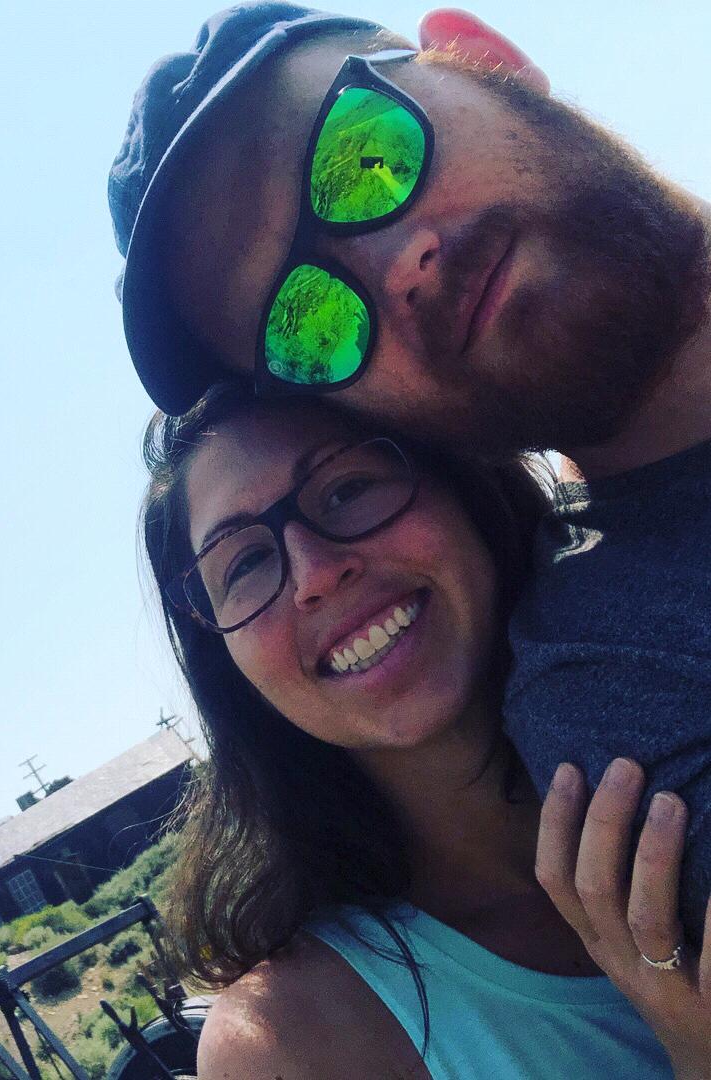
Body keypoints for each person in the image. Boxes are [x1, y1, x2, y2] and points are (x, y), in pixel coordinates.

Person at [109, 4, 711, 942]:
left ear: (480, 54)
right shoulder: (626, 691)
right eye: (308, 320)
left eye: (367, 155)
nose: (397, 270)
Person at [140, 380, 711, 1078]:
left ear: (460, 481)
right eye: (247, 562)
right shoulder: (286, 1043)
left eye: (346, 489)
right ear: (227, 661)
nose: (315, 574)